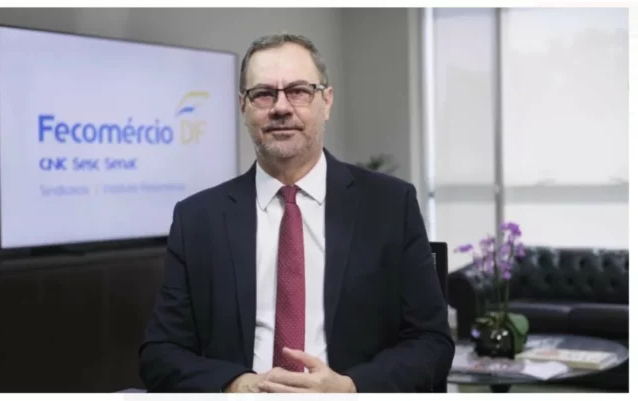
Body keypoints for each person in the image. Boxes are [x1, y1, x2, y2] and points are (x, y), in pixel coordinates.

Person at [138, 33, 454, 393]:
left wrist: (351, 388)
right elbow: (160, 354)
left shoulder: (389, 206)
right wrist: (235, 385)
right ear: (243, 107)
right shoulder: (197, 219)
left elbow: (432, 343)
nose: (281, 107)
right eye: (263, 94)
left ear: (326, 101)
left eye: (298, 91)